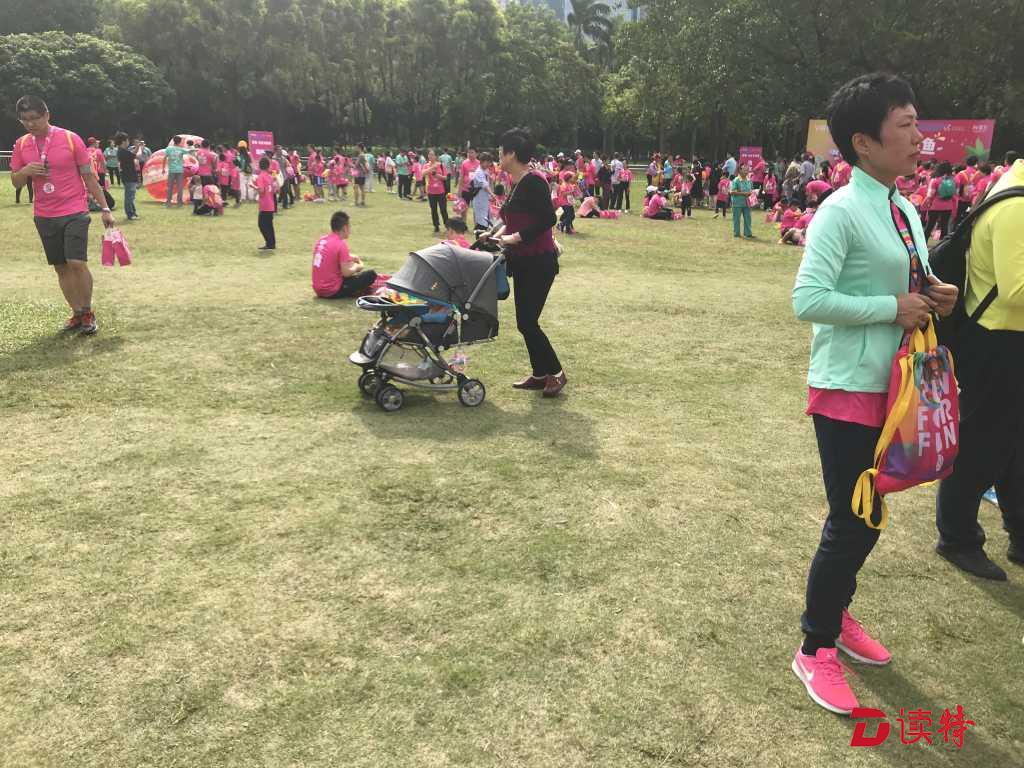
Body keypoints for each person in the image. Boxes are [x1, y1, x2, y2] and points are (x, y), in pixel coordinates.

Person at [791, 73, 958, 716]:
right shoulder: (840, 210)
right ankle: (815, 645)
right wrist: (893, 306)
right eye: (905, 126)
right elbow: (808, 299)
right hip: (847, 387)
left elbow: (910, 276)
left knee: (869, 514)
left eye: (918, 123)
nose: (920, 137)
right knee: (852, 518)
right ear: (863, 142)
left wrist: (934, 291)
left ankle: (835, 611)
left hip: (896, 384)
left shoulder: (902, 205)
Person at [935, 155, 1024, 580]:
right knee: (980, 444)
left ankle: (1019, 532)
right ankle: (957, 537)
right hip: (997, 341)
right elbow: (1016, 290)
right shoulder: (1016, 206)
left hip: (1009, 338)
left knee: (1014, 446)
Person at [9, 95, 115, 335]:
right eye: (24, 119)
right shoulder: (22, 144)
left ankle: (87, 311)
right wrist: (26, 171)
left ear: (47, 115)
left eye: (35, 118)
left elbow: (88, 176)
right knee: (60, 267)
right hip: (44, 214)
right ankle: (76, 313)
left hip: (74, 210)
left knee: (76, 262)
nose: (30, 124)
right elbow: (15, 181)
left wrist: (105, 208)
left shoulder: (70, 138)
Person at [493, 128, 565, 398]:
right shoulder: (518, 182)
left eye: (501, 152)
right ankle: (539, 374)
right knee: (525, 322)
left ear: (512, 154)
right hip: (523, 261)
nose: (499, 157)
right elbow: (512, 219)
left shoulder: (534, 181)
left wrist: (514, 238)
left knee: (528, 322)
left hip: (539, 262)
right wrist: (494, 235)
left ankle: (556, 373)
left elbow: (548, 218)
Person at [312, 210, 378, 298]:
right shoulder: (341, 244)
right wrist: (358, 266)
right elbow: (346, 273)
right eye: (349, 226)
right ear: (345, 228)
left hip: (318, 289)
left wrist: (350, 258)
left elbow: (330, 256)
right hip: (332, 291)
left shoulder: (322, 240)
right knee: (371, 275)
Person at [924, 161, 957, 239]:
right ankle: (942, 242)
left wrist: (928, 203)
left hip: (935, 206)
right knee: (944, 226)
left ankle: (924, 241)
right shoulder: (953, 181)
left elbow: (930, 195)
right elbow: (955, 194)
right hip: (948, 206)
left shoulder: (935, 180)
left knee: (930, 225)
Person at [252, 156, 278, 250]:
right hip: (271, 204)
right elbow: (275, 190)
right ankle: (271, 243)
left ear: (259, 165)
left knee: (262, 225)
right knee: (269, 225)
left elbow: (261, 191)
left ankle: (269, 243)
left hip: (264, 204)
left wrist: (253, 186)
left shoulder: (261, 176)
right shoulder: (269, 176)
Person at [115, 132, 141, 221]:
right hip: (128, 176)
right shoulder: (122, 151)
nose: (128, 142)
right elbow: (134, 155)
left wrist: (137, 147)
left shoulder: (122, 151)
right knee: (129, 197)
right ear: (123, 141)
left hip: (129, 176)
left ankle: (133, 213)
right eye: (127, 140)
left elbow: (132, 155)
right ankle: (130, 214)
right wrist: (137, 146)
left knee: (131, 196)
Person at [425, 149, 449, 233]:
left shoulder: (441, 165)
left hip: (441, 191)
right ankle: (436, 226)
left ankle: (447, 225)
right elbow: (422, 173)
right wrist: (431, 168)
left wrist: (437, 175)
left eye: (432, 155)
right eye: (429, 154)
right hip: (431, 191)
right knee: (433, 209)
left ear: (436, 156)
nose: (430, 156)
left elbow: (445, 177)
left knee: (443, 209)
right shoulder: (426, 165)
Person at [469, 152, 494, 232]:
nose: (489, 164)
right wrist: (492, 194)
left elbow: (489, 183)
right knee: (481, 222)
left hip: (485, 200)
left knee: (486, 221)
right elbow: (485, 185)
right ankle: (479, 236)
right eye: (487, 162)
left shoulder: (485, 170)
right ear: (482, 161)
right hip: (479, 200)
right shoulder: (479, 172)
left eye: (490, 162)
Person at [160, 135, 188, 207]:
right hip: (179, 170)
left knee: (170, 187)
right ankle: (179, 203)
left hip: (171, 170)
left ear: (173, 141)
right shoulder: (181, 149)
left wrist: (163, 168)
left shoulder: (168, 149)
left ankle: (168, 203)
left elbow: (164, 158)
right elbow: (189, 152)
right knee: (180, 187)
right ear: (180, 142)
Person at [729, 165, 754, 238]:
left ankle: (748, 233)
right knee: (736, 219)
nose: (746, 172)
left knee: (748, 218)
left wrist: (752, 193)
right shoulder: (736, 180)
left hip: (747, 203)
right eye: (744, 170)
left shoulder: (749, 180)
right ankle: (736, 233)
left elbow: (751, 190)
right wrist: (744, 193)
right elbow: (732, 192)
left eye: (747, 170)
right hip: (737, 203)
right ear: (740, 170)